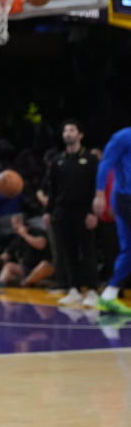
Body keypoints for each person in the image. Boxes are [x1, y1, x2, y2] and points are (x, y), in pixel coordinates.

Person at [42, 120, 100, 308]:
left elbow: (96, 188)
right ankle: (74, 289)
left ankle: (92, 290)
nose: (67, 133)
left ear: (80, 135)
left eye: (72, 130)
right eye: (65, 130)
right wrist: (48, 211)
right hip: (62, 211)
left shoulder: (91, 160)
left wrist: (93, 212)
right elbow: (53, 189)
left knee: (88, 252)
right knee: (68, 252)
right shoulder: (58, 161)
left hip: (84, 211)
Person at [94, 127, 131, 315]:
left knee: (128, 249)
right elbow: (105, 163)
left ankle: (109, 295)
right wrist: (100, 195)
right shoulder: (123, 136)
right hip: (125, 197)